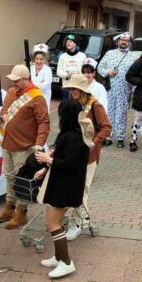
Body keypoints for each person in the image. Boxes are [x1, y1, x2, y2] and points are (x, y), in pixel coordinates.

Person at [32, 99, 88, 279]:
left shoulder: (72, 136)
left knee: (52, 223)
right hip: (61, 183)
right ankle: (58, 257)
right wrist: (45, 168)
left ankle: (66, 262)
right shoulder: (73, 133)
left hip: (66, 186)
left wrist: (48, 160)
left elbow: (70, 164)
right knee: (52, 221)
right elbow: (63, 159)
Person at [0, 65, 50, 229]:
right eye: (12, 80)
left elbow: (44, 122)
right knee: (9, 176)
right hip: (8, 142)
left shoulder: (37, 97)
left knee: (22, 179)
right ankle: (9, 207)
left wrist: (39, 144)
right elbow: (4, 111)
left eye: (16, 81)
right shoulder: (11, 92)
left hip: (25, 146)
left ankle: (21, 212)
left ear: (25, 79)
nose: (13, 83)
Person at [61, 74, 111, 237]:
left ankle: (77, 224)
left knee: (82, 190)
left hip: (88, 155)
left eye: (74, 89)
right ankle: (75, 219)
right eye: (70, 88)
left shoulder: (95, 105)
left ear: (82, 90)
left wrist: (94, 142)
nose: (71, 91)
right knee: (72, 188)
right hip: (72, 152)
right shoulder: (72, 104)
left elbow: (106, 127)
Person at [97, 33, 140, 148]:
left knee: (121, 113)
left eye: (126, 40)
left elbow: (137, 74)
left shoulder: (134, 57)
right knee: (109, 113)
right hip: (110, 89)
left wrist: (134, 91)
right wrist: (108, 72)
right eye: (122, 40)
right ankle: (108, 136)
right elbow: (100, 67)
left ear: (130, 43)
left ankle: (120, 137)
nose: (124, 42)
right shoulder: (109, 53)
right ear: (118, 42)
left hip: (125, 89)